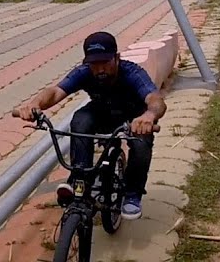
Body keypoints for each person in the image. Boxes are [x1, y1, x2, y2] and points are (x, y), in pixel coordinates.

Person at [12, 31, 166, 220]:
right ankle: (80, 180)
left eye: (105, 63)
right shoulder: (84, 72)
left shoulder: (133, 73)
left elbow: (155, 99)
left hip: (134, 117)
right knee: (80, 120)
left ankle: (132, 194)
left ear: (117, 58)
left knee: (141, 143)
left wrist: (149, 116)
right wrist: (35, 104)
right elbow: (56, 91)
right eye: (94, 64)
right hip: (102, 111)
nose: (100, 69)